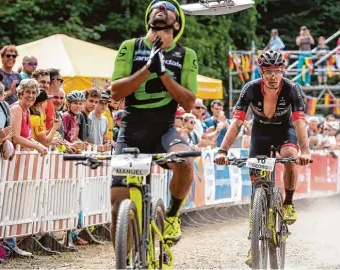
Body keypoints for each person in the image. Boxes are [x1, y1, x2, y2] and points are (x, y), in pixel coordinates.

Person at [110, 0, 198, 247]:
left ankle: (171, 216)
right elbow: (115, 92)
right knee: (117, 205)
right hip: (131, 132)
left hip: (165, 131)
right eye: (156, 5)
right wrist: (148, 68)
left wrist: (163, 74)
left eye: (167, 7)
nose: (160, 7)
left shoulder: (185, 55)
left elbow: (189, 102)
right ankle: (125, 260)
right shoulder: (130, 47)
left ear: (176, 22)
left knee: (186, 161)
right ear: (149, 15)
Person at [213, 50, 311, 266]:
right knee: (257, 185)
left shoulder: (292, 89)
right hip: (260, 135)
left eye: (277, 71)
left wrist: (305, 151)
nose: (273, 76)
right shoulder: (250, 89)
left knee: (290, 156)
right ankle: (253, 244)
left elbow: (299, 123)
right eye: (268, 72)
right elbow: (237, 123)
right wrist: (222, 150)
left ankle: (287, 202)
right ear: (261, 72)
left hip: (286, 132)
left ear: (282, 71)